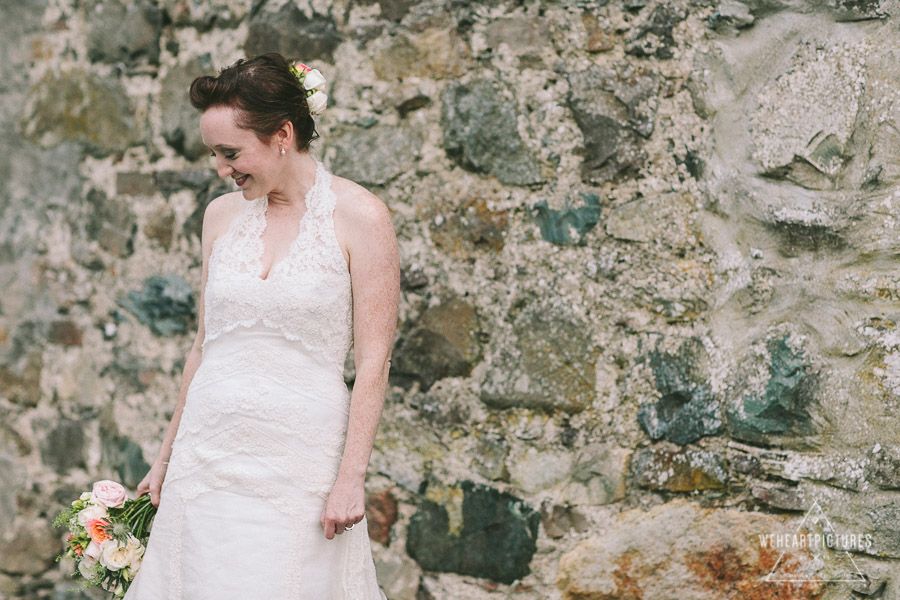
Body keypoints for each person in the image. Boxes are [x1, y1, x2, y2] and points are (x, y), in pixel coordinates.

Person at [124, 53, 399, 599]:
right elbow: (203, 347)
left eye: (231, 153)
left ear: (282, 134)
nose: (222, 170)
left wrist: (351, 477)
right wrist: (164, 458)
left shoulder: (361, 216)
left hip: (300, 463)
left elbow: (374, 360)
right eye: (215, 155)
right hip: (205, 459)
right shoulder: (220, 218)